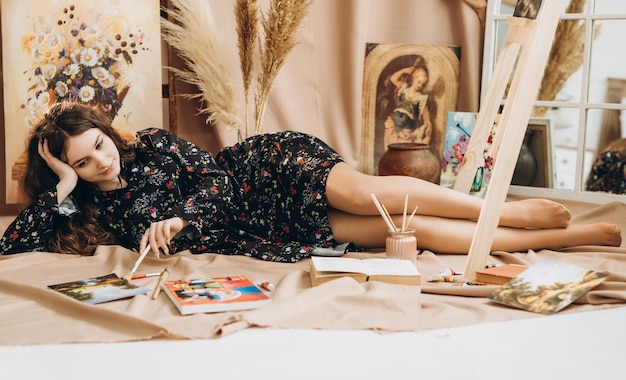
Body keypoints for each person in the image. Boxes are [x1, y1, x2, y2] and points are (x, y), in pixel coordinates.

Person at [0, 101, 621, 262]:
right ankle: (579, 237)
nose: (101, 163)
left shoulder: (156, 146)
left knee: (363, 191)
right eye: (82, 162)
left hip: (261, 175)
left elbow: (213, 182)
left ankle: (504, 212)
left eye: (99, 147)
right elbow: (13, 241)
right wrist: (56, 187)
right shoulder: (89, 213)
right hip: (264, 233)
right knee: (400, 234)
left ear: (111, 133)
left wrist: (181, 219)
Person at [384, 56, 433, 147]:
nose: (420, 85)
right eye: (419, 81)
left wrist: (427, 134)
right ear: (413, 78)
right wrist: (404, 70)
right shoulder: (404, 88)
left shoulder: (422, 98)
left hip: (407, 132)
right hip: (392, 127)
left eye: (423, 84)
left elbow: (427, 120)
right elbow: (393, 79)